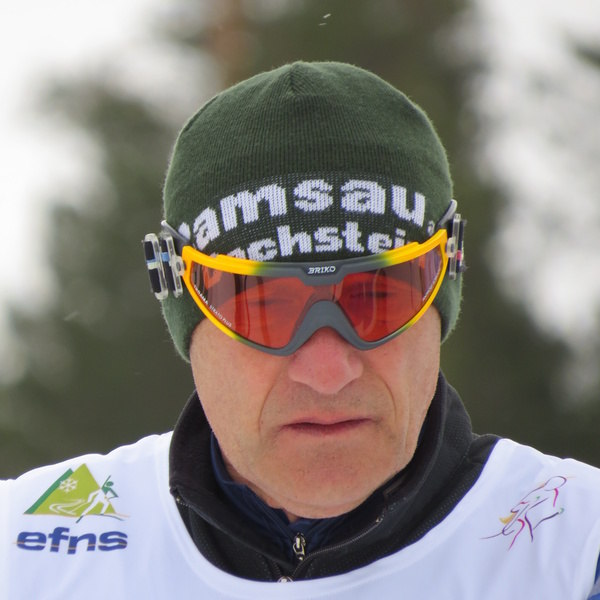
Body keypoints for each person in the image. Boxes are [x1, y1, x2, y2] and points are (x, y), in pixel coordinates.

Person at [1, 61, 599, 599]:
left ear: (445, 285)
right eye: (265, 308)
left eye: (377, 299)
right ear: (181, 306)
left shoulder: (576, 554)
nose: (328, 370)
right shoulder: (28, 556)